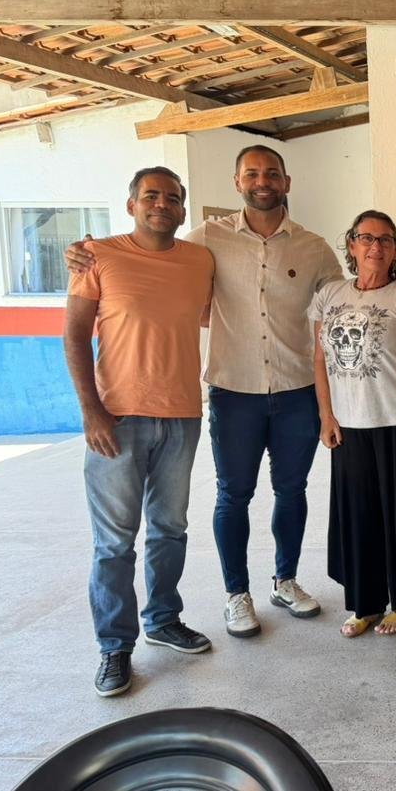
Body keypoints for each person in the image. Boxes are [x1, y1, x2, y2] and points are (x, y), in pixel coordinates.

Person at [66, 146, 343, 639]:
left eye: (272, 173)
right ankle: (236, 594)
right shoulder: (205, 241)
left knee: (291, 491)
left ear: (287, 182)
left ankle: (285, 579)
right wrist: (83, 252)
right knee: (232, 495)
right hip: (233, 392)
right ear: (237, 182)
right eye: (252, 173)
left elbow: (343, 302)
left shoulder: (314, 247)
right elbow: (150, 259)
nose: (263, 181)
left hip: (296, 389)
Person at [64, 166, 215, 697]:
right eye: (151, 196)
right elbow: (76, 336)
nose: (162, 205)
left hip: (182, 415)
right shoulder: (97, 256)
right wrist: (91, 411)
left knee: (170, 528)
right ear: (131, 204)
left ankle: (163, 619)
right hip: (117, 420)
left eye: (173, 198)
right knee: (114, 543)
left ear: (182, 207)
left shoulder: (200, 260)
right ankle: (114, 647)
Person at [311, 210, 396, 637]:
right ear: (351, 245)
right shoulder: (329, 295)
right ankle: (365, 603)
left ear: (395, 250)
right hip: (349, 426)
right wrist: (326, 415)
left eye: (385, 240)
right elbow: (319, 360)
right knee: (359, 516)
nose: (376, 246)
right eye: (366, 238)